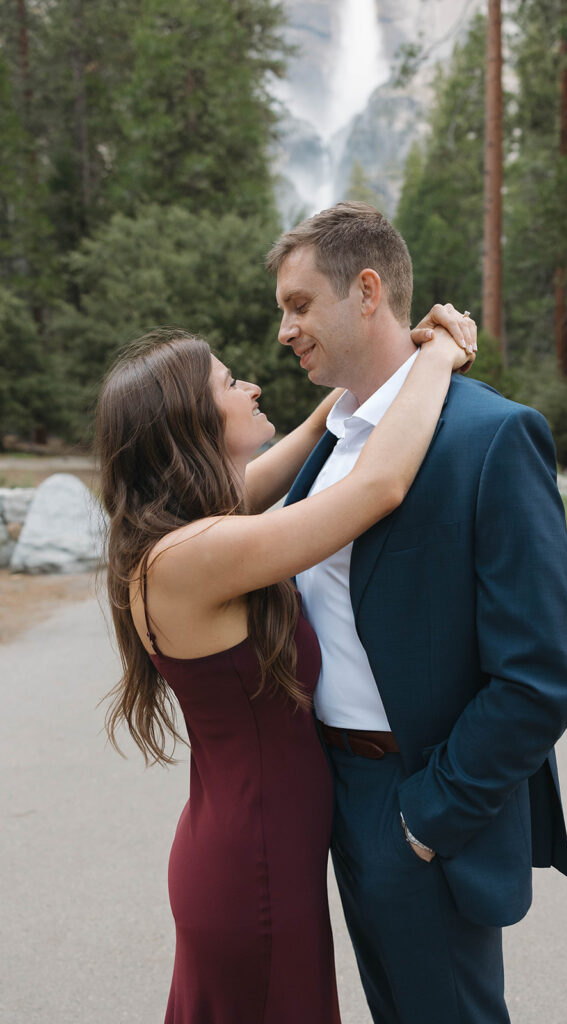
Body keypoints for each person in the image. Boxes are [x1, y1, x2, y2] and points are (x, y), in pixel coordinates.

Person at [95, 316, 473, 1023]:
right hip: (253, 870)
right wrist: (441, 358)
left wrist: (380, 357)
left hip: (248, 851)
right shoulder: (193, 554)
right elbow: (377, 487)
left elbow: (308, 439)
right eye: (229, 382)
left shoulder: (183, 533)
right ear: (191, 421)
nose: (252, 383)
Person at [266, 201, 567, 1024]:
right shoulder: (330, 443)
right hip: (338, 793)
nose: (283, 330)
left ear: (366, 291)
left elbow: (539, 678)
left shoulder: (492, 437)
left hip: (420, 801)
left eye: (298, 305)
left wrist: (424, 817)